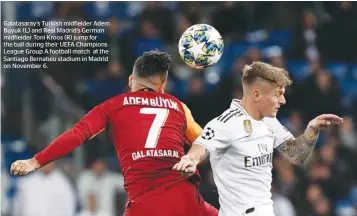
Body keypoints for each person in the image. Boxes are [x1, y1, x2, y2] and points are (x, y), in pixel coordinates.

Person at [10, 50, 218, 216]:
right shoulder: (178, 106)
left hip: (146, 205)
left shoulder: (112, 107)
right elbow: (207, 142)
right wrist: (192, 157)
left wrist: (35, 161)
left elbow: (76, 134)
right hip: (188, 201)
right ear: (162, 85)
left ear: (130, 80)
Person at [173, 61, 343, 216]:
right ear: (256, 95)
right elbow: (201, 147)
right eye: (278, 94)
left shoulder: (269, 121)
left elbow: (296, 155)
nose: (283, 100)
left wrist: (311, 130)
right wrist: (190, 160)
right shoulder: (225, 123)